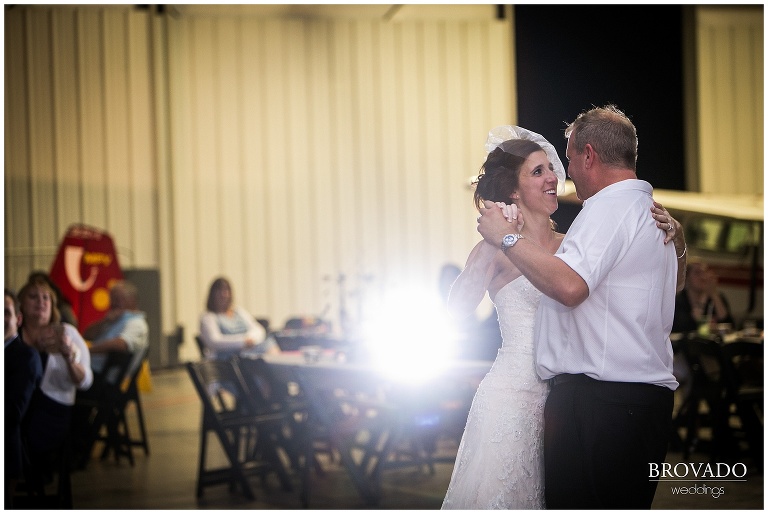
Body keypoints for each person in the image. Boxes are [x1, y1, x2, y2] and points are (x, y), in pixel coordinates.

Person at [442, 123, 685, 509]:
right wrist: (493, 244)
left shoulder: (574, 242)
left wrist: (677, 246)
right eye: (538, 172)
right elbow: (453, 313)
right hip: (513, 397)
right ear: (512, 190)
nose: (554, 177)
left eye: (552, 168)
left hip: (566, 400)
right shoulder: (495, 248)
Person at [17, 274, 92, 488]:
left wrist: (68, 356)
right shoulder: (12, 335)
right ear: (21, 305)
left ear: (53, 306)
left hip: (50, 414)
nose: (40, 302)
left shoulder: (67, 334)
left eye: (46, 298)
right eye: (33, 297)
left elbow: (85, 381)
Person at [5, 288, 43, 508]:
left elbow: (13, 414)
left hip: (12, 444)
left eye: (6, 313)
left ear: (18, 319)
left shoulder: (25, 357)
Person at [199, 277, 279, 360]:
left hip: (248, 351)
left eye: (226, 290)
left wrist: (251, 339)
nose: (223, 294)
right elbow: (214, 341)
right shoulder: (208, 317)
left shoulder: (238, 312)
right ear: (212, 295)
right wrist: (242, 342)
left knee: (269, 342)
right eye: (219, 291)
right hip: (227, 358)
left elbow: (258, 329)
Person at [82, 280, 149, 380]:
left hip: (102, 378)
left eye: (118, 299)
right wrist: (105, 321)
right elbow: (87, 335)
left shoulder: (137, 324)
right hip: (90, 369)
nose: (113, 303)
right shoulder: (114, 318)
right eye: (112, 298)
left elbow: (121, 344)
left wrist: (87, 351)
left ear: (132, 300)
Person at [672, 260, 733, 334]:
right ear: (686, 278)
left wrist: (714, 295)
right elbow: (682, 327)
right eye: (697, 273)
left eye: (705, 272)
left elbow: (728, 324)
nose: (703, 277)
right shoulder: (679, 300)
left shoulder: (715, 297)